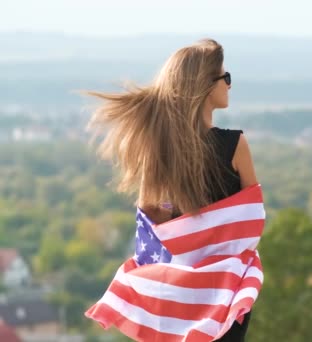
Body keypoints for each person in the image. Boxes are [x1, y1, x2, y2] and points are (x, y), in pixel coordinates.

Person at [83, 39, 262, 342]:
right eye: (225, 78)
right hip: (223, 296)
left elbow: (150, 217)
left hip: (173, 299)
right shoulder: (234, 146)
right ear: (206, 86)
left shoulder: (159, 152)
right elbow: (253, 219)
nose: (229, 86)